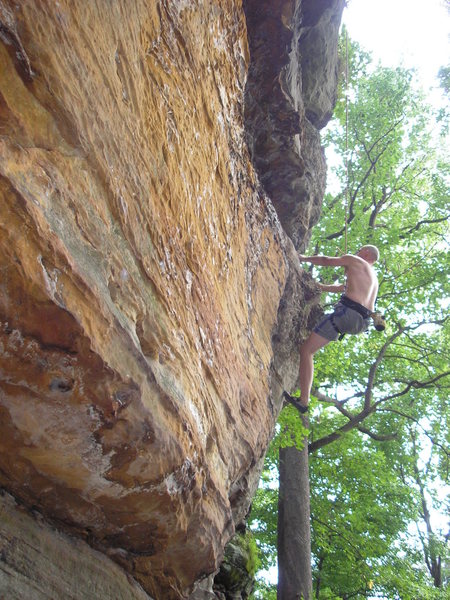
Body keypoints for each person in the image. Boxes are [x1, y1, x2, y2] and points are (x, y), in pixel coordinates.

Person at [283, 245, 380, 414]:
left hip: (347, 314)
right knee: (309, 350)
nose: (357, 253)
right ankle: (303, 401)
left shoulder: (356, 260)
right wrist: (320, 286)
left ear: (366, 253)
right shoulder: (373, 279)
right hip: (361, 322)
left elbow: (326, 260)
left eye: (359, 250)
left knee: (306, 350)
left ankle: (304, 400)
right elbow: (344, 288)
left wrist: (303, 258)